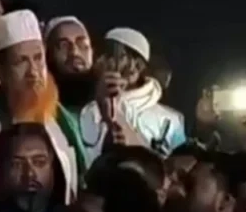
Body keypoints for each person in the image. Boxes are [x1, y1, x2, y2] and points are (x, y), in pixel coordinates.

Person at [0, 9, 84, 196]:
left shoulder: (60, 119)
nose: (33, 72)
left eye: (38, 58)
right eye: (21, 62)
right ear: (0, 71)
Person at [79, 27, 187, 162]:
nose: (104, 62)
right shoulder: (88, 111)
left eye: (115, 56)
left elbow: (180, 165)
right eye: (103, 55)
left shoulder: (170, 120)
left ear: (138, 65)